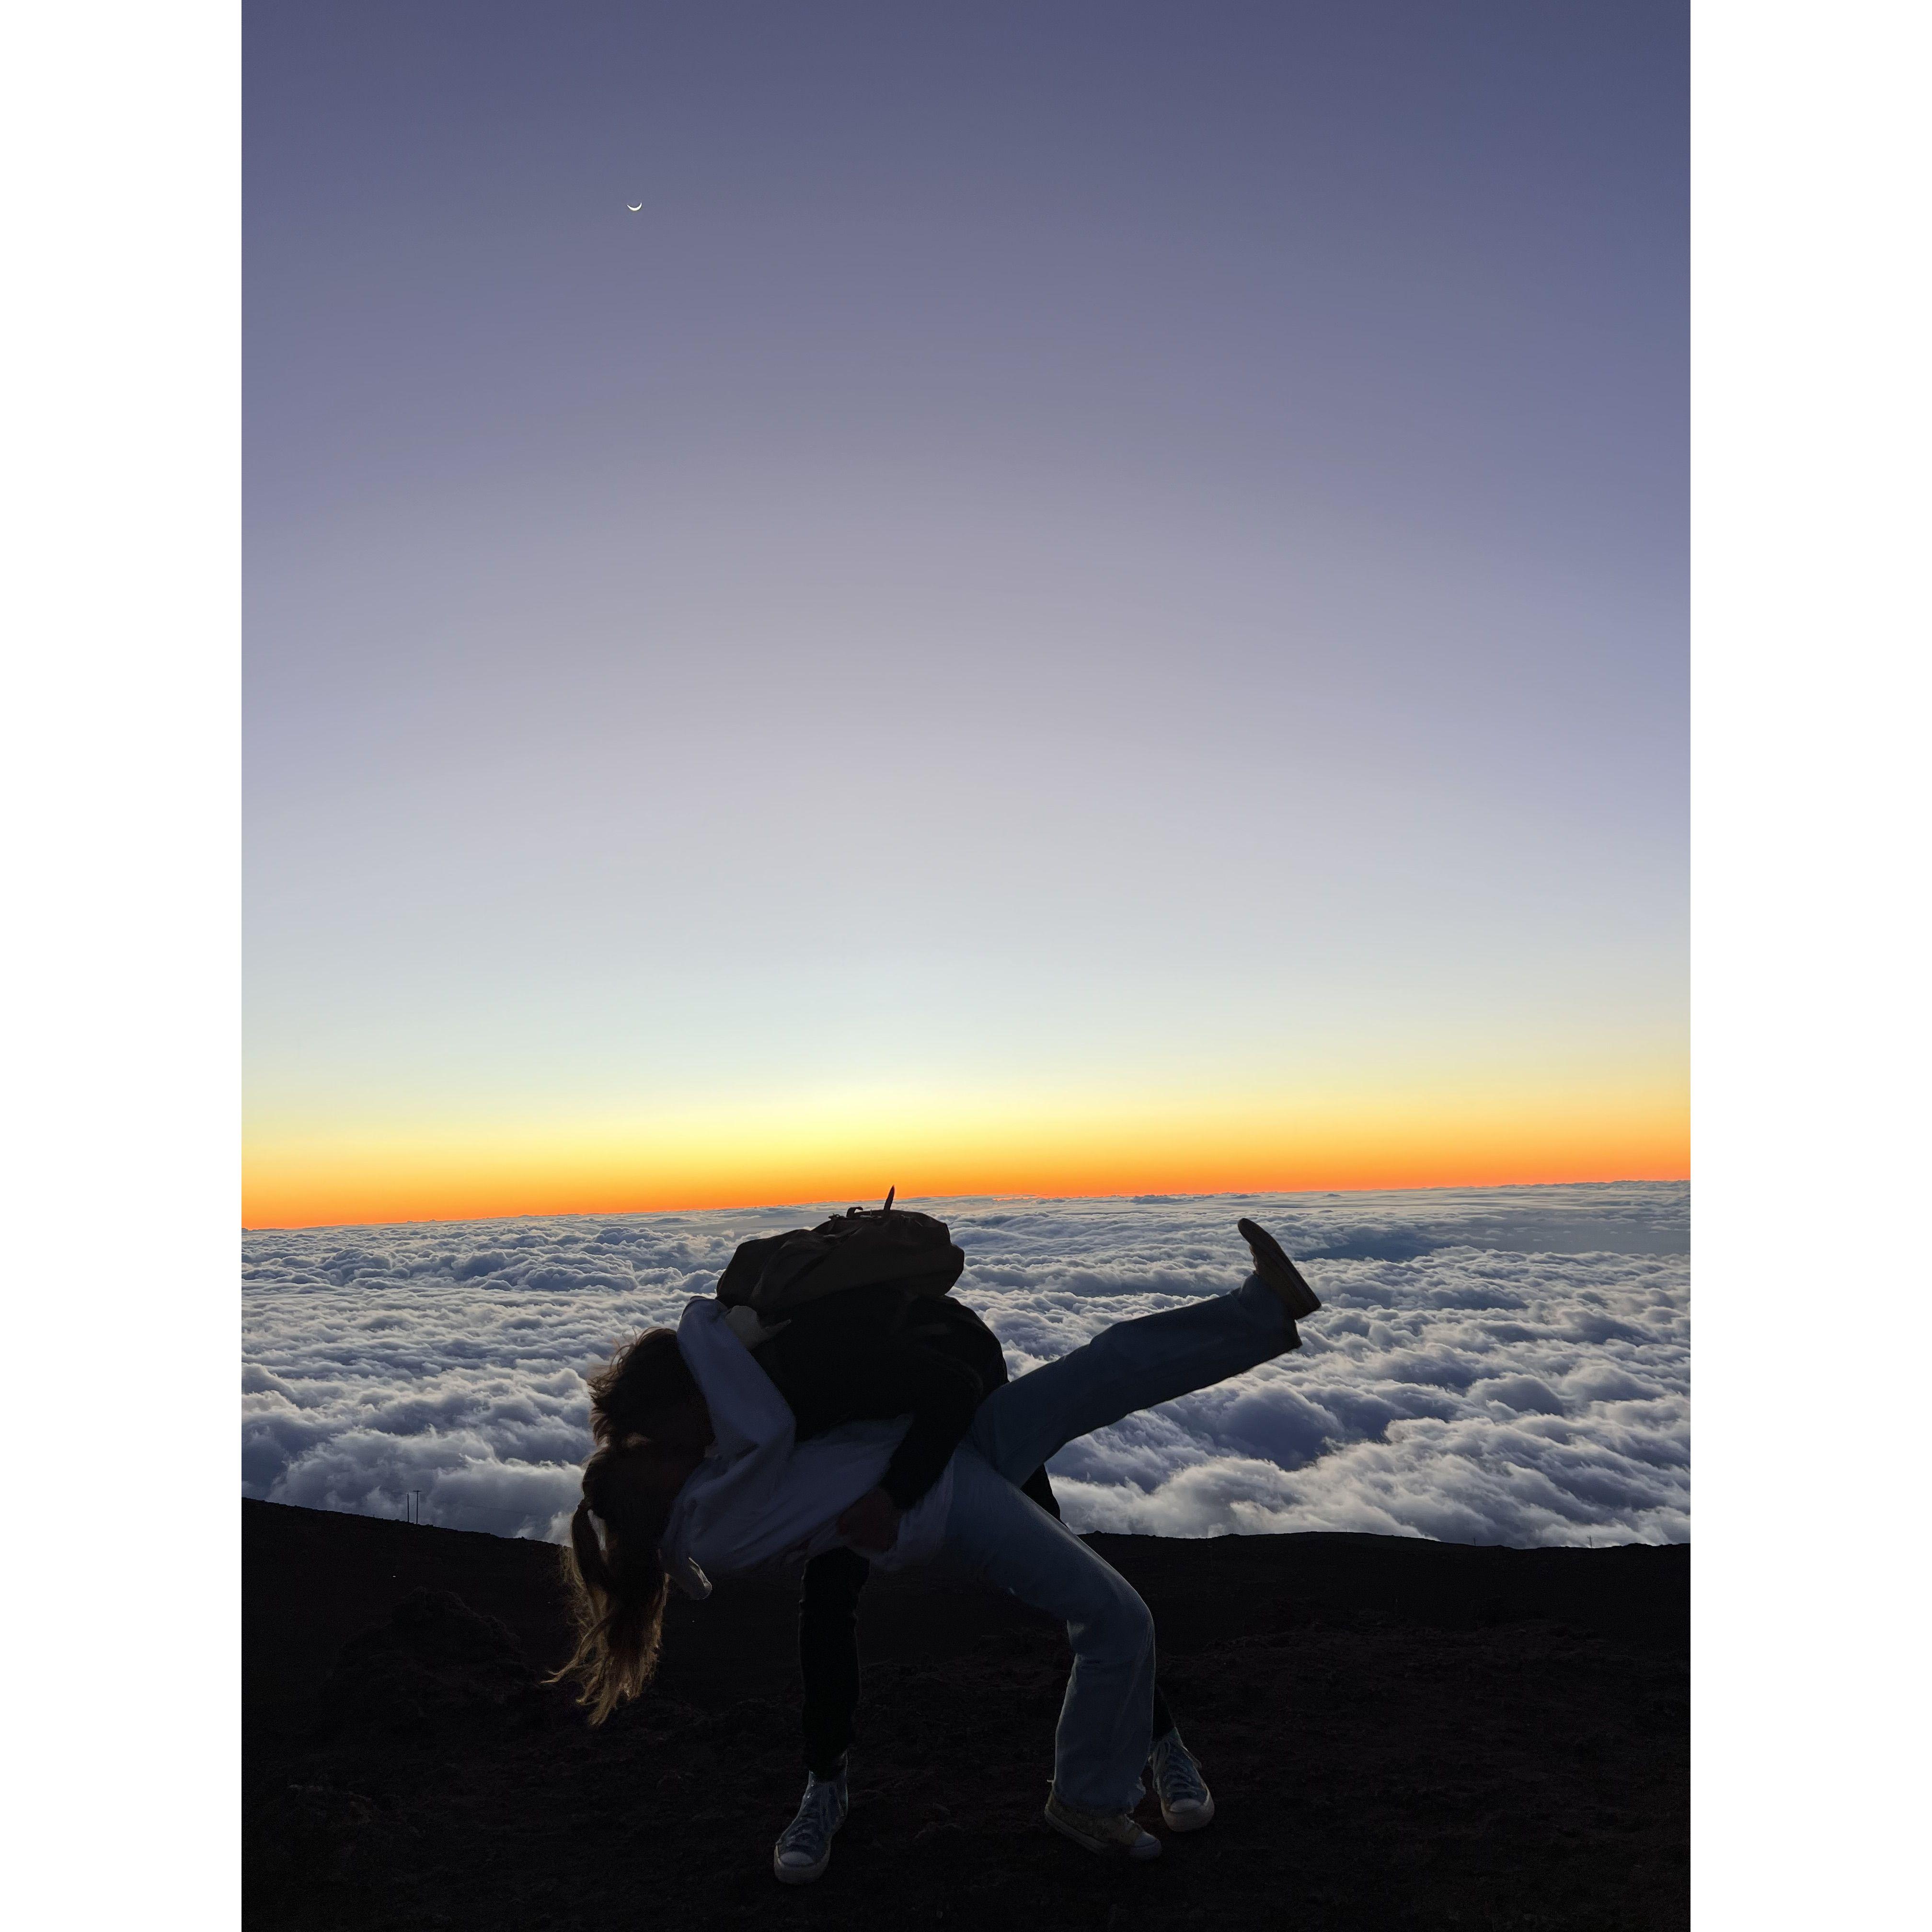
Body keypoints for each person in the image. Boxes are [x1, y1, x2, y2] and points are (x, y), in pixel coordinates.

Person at [552, 1218, 1321, 1869]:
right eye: (655, 1450)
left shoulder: (731, 1441)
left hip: (951, 1424)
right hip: (945, 1496)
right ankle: (1082, 1802)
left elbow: (933, 1390)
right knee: (1115, 1619)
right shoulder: (718, 1490)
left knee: (1098, 1373)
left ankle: (1260, 1311)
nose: (676, 1449)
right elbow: (760, 1430)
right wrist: (714, 1335)